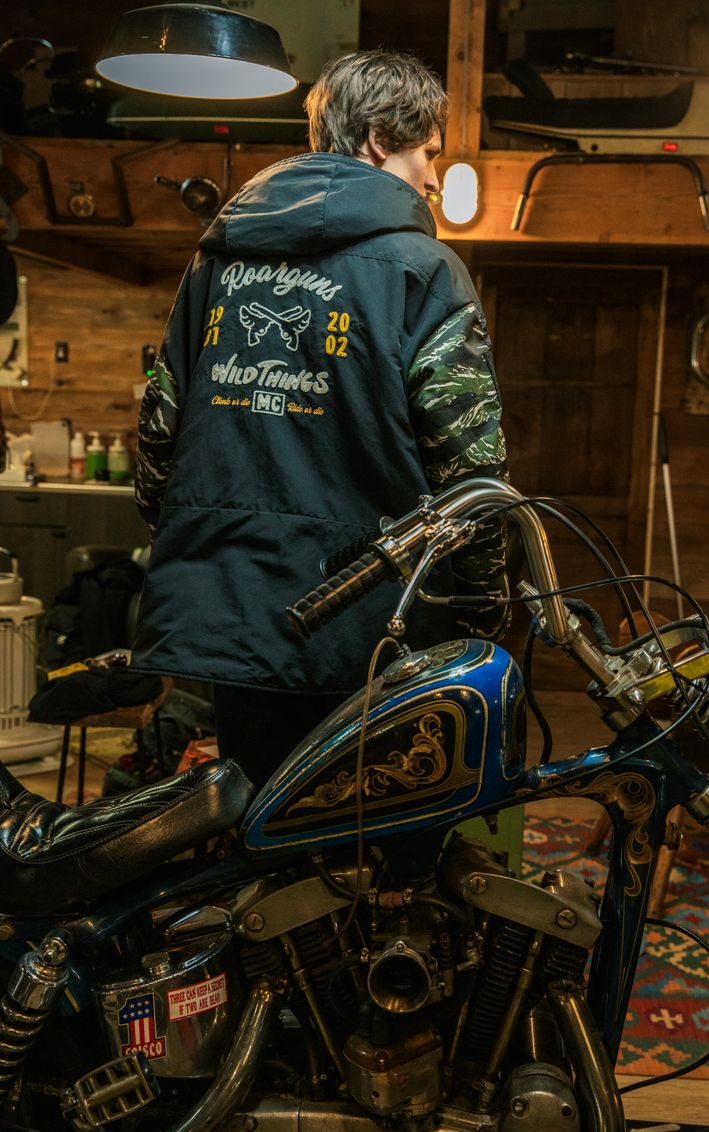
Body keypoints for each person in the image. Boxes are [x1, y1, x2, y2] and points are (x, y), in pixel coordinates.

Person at [131, 49, 512, 787]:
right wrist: (480, 608)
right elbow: (471, 471)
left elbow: (159, 432)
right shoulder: (425, 271)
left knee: (254, 819)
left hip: (234, 614)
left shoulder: (215, 265)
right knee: (372, 831)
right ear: (378, 139)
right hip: (374, 626)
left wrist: (201, 554)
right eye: (429, 154)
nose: (435, 178)